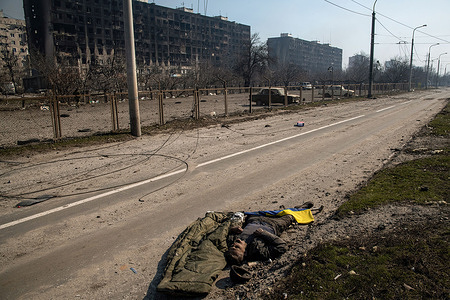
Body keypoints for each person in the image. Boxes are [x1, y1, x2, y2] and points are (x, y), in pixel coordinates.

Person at [226, 202, 320, 265]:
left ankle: (293, 208)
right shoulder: (259, 251)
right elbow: (282, 246)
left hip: (254, 219)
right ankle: (301, 208)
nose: (235, 244)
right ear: (245, 253)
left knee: (274, 212)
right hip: (273, 225)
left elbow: (228, 234)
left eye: (233, 246)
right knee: (290, 217)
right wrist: (264, 234)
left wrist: (233, 230)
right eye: (237, 247)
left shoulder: (232, 240)